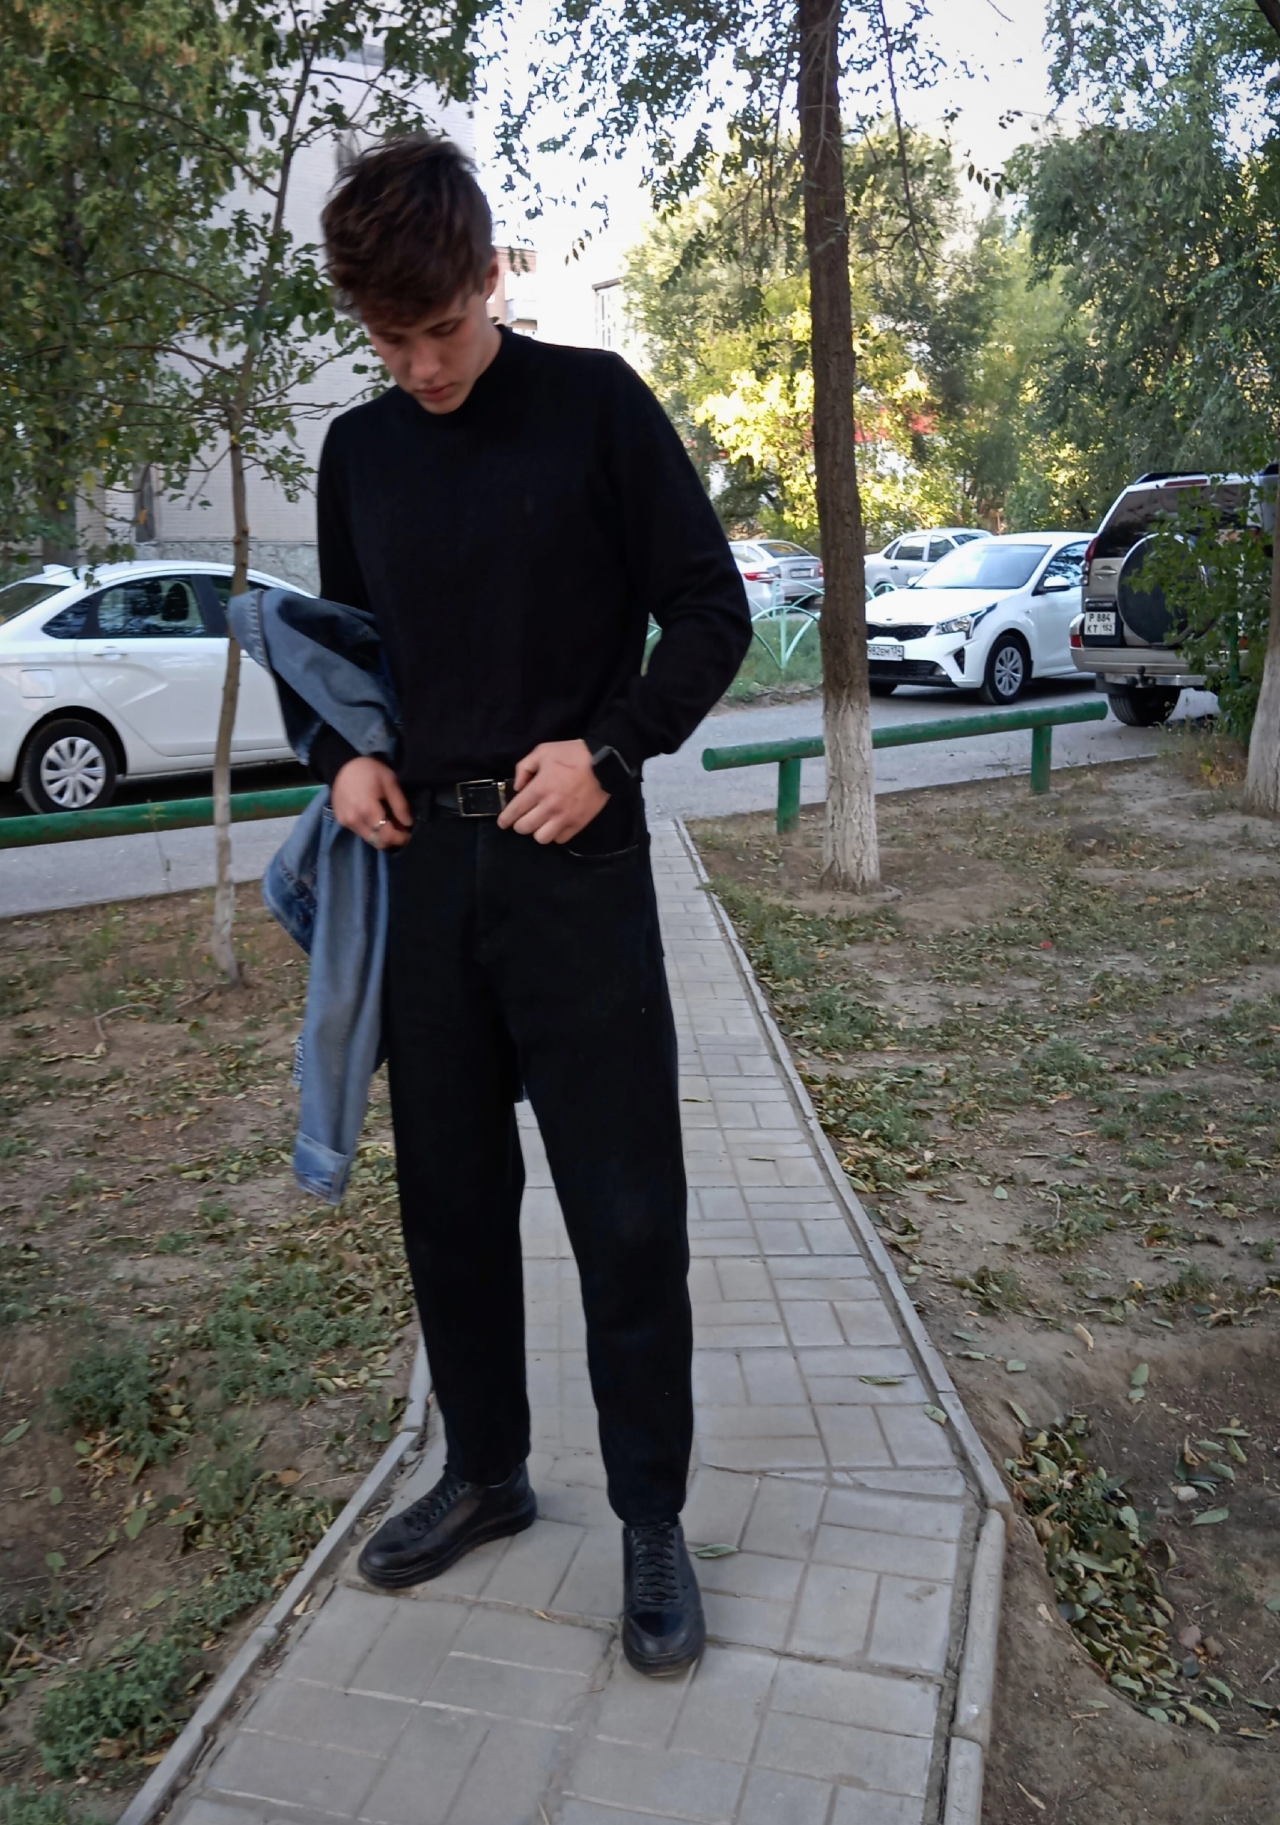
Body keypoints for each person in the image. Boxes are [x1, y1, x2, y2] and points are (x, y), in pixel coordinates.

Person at [313, 133, 750, 1676]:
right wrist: (342, 760)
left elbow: (711, 610)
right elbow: (342, 661)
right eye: (390, 342)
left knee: (625, 1208)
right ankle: (487, 1471)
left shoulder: (596, 407)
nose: (422, 366)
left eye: (440, 329)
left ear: (492, 277)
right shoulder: (358, 454)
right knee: (448, 1199)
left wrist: (611, 749)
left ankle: (651, 1515)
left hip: (576, 867)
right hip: (422, 876)